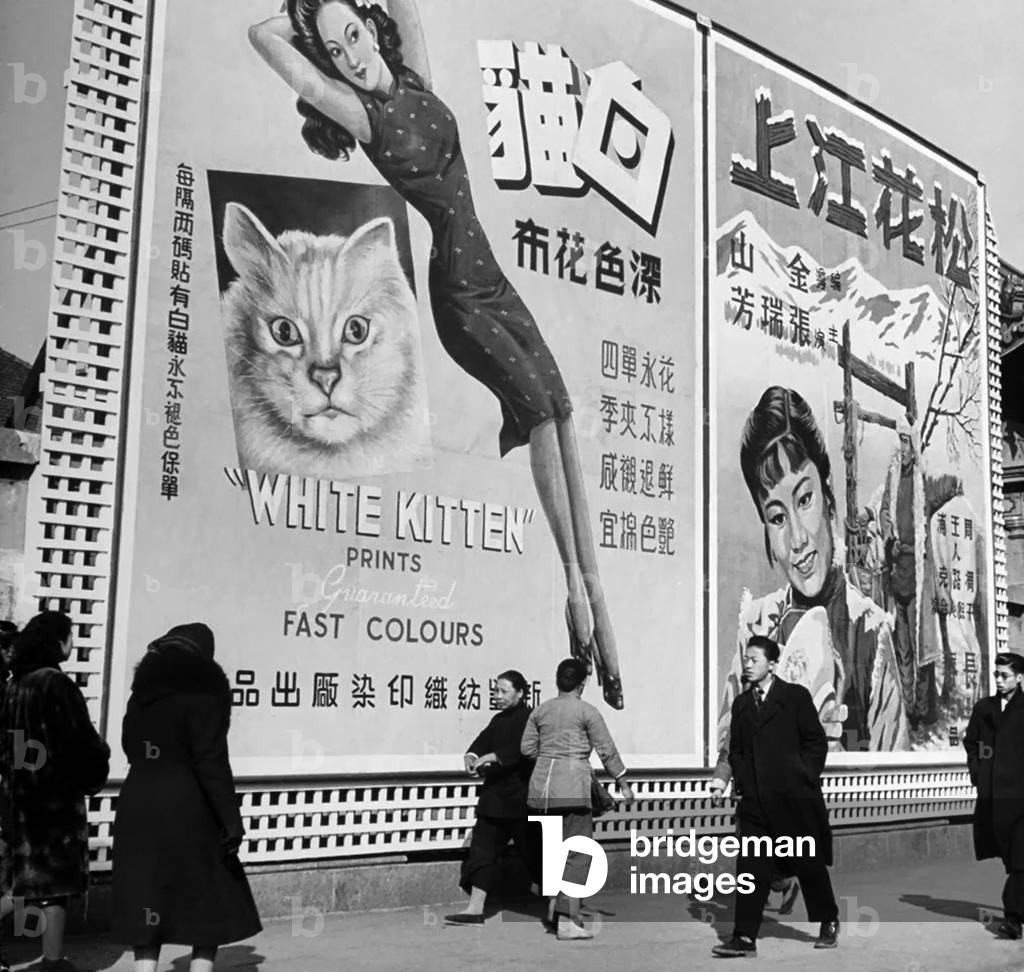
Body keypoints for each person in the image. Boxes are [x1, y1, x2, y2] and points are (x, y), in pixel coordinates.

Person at [248, 0, 624, 709]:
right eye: (335, 50)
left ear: (371, 23)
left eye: (354, 34)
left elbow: (406, 6)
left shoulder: (414, 75)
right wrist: (305, 22)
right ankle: (575, 591)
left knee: (563, 410)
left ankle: (598, 603)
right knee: (541, 413)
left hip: (494, 274)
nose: (352, 55)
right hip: (458, 289)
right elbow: (260, 38)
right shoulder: (360, 116)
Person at [717, 386, 907, 754]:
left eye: (805, 499)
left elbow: (892, 773)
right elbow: (726, 752)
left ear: (828, 493)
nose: (797, 539)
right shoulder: (756, 626)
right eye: (776, 517)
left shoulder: (872, 634)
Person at [112, 623, 262, 971]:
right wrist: (231, 822)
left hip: (139, 802)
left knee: (146, 894)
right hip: (190, 807)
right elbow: (211, 762)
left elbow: (129, 747)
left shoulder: (142, 695)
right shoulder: (206, 696)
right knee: (207, 894)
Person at [712, 635, 839, 958]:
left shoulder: (794, 697)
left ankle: (828, 920)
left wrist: (803, 776)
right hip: (754, 801)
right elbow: (733, 749)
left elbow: (815, 742)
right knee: (750, 869)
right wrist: (722, 781)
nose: (748, 665)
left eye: (755, 660)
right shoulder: (742, 704)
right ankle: (744, 937)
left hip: (793, 799)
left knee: (808, 864)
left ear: (771, 664)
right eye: (746, 659)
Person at [0, 611, 110, 972]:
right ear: (57, 641)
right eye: (70, 635)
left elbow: (10, 746)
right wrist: (99, 760)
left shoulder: (18, 684)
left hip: (21, 799)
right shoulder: (56, 685)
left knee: (26, 880)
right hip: (54, 801)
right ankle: (52, 960)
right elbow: (77, 743)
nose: (72, 642)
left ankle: (53, 958)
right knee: (53, 884)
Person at [521, 658, 634, 940]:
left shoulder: (540, 710)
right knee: (578, 853)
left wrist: (550, 760)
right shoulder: (587, 711)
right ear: (582, 684)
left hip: (542, 791)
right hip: (573, 787)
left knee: (555, 852)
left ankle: (552, 908)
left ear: (558, 680)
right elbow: (606, 749)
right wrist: (622, 781)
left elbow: (526, 749)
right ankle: (565, 919)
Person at [879, 417, 962, 730]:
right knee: (902, 648)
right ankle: (907, 706)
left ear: (914, 447)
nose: (902, 448)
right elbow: (885, 512)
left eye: (906, 442)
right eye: (899, 441)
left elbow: (939, 490)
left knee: (920, 647)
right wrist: (890, 536)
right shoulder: (891, 481)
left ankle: (922, 710)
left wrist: (955, 485)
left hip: (917, 575)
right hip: (896, 572)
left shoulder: (920, 481)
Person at [446, 670, 540, 925]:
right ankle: (475, 908)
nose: (497, 696)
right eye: (496, 691)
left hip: (522, 799)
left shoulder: (531, 719)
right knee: (482, 852)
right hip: (495, 799)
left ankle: (559, 906)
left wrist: (493, 757)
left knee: (536, 854)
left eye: (503, 691)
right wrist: (472, 757)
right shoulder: (497, 720)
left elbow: (524, 751)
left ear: (520, 693)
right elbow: (479, 744)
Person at [963, 652, 1024, 939]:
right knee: (1010, 858)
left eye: (1005, 675)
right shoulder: (983, 708)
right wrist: (978, 773)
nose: (999, 680)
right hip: (994, 796)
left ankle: (1013, 918)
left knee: (1021, 857)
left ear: (1020, 677)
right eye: (997, 675)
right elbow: (971, 742)